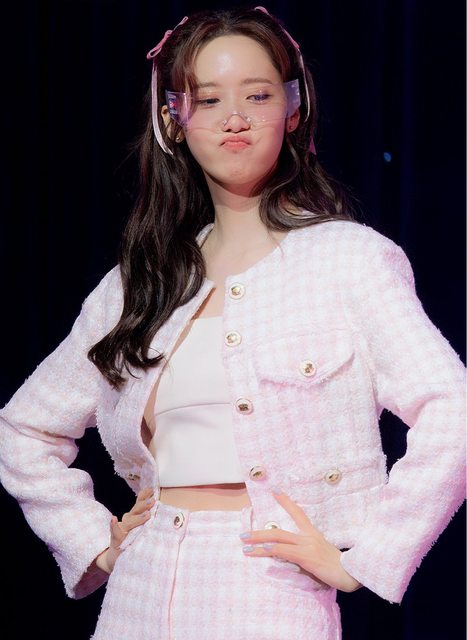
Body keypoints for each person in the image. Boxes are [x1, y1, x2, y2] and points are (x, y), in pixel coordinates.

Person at [0, 5, 464, 640]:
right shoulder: (137, 286)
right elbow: (24, 429)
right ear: (174, 118)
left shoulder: (347, 261)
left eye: (258, 95)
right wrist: (94, 543)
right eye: (208, 99)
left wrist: (370, 558)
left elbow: (453, 409)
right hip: (140, 586)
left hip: (268, 586)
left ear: (293, 109)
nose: (235, 117)